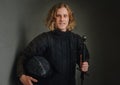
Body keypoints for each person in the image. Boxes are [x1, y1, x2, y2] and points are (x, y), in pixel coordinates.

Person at [17, 2, 90, 85]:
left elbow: (84, 58)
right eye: (58, 16)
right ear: (53, 18)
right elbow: (24, 56)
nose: (62, 19)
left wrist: (85, 65)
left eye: (65, 16)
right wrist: (21, 76)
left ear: (69, 18)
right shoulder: (45, 38)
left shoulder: (77, 40)